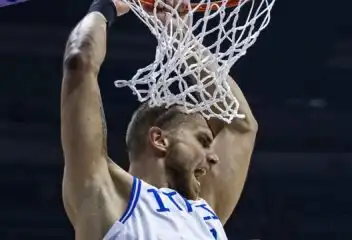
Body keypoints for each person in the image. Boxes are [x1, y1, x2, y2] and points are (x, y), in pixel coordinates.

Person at [60, 0, 258, 239]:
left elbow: (239, 123)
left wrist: (180, 37)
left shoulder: (202, 212)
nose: (214, 155)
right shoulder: (105, 194)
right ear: (159, 139)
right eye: (202, 140)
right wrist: (107, 6)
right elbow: (79, 62)